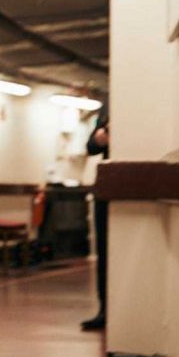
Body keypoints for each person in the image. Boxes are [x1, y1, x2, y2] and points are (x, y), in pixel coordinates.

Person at [82, 106, 110, 331]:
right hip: (107, 182)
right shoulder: (106, 107)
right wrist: (101, 137)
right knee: (104, 249)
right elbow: (90, 147)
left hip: (129, 179)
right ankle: (104, 308)